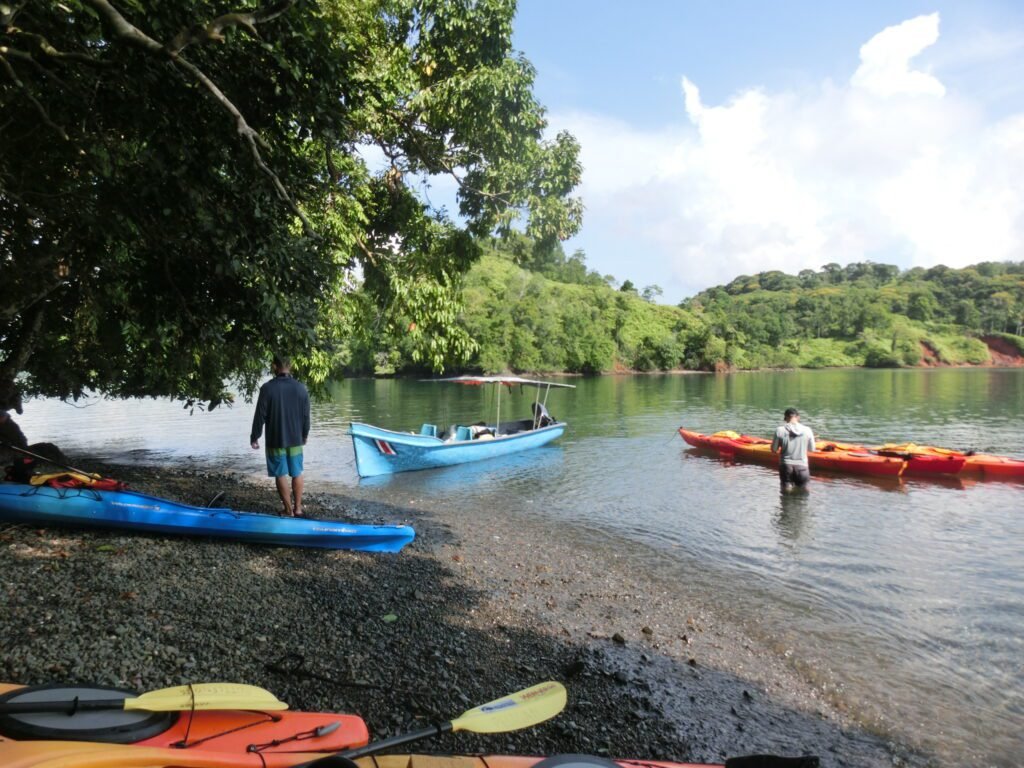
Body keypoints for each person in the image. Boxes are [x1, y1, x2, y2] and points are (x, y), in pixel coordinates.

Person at [250, 355, 310, 516]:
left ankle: (288, 510)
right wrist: (304, 434)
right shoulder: (301, 388)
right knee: (297, 472)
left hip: (276, 439)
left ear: (274, 366)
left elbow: (260, 415)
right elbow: (306, 416)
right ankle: (298, 508)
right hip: (296, 439)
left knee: (280, 473)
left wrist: (255, 436)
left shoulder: (267, 388)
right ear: (290, 366)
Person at [771, 407, 815, 490]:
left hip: (786, 466)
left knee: (786, 493)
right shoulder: (808, 430)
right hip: (802, 466)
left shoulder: (779, 430)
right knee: (803, 493)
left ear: (785, 418)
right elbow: (812, 449)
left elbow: (774, 449)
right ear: (798, 417)